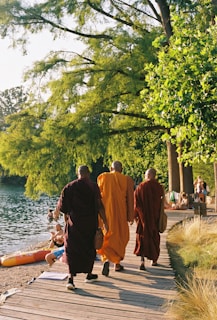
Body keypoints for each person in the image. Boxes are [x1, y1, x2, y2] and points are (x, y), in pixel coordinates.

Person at [55, 165, 108, 290]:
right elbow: (100, 206)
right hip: (90, 224)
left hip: (74, 225)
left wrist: (66, 223)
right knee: (89, 249)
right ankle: (88, 274)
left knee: (72, 250)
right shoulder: (93, 187)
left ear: (77, 173)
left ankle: (71, 279)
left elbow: (64, 209)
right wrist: (106, 222)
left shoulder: (69, 187)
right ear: (88, 174)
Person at [97, 160, 134, 276]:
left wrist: (98, 215)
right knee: (121, 237)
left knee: (107, 236)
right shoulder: (127, 180)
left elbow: (98, 196)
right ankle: (117, 264)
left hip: (107, 214)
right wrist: (130, 216)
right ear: (121, 169)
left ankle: (106, 259)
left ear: (110, 168)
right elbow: (130, 199)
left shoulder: (103, 177)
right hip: (121, 214)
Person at [134, 168, 164, 270]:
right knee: (154, 237)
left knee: (142, 238)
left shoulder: (140, 187)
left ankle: (142, 261)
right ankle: (154, 260)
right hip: (154, 218)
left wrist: (135, 216)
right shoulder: (159, 187)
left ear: (147, 175)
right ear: (154, 175)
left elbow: (136, 204)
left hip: (143, 218)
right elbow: (161, 203)